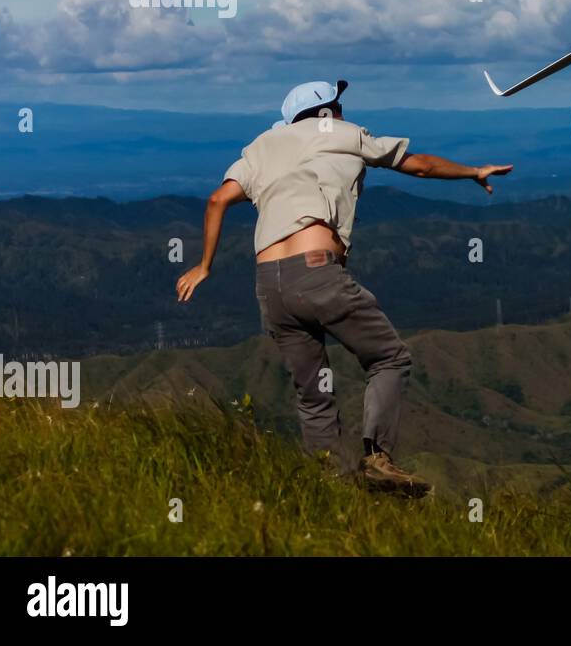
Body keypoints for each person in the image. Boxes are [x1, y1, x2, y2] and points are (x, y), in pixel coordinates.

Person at [176, 79, 513, 496]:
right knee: (389, 358)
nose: (341, 111)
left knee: (312, 393)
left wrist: (204, 266)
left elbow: (216, 200)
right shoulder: (341, 133)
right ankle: (378, 459)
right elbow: (420, 164)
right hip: (317, 272)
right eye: (337, 105)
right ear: (323, 113)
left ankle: (334, 487)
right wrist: (473, 172)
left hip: (269, 287)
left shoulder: (261, 146)